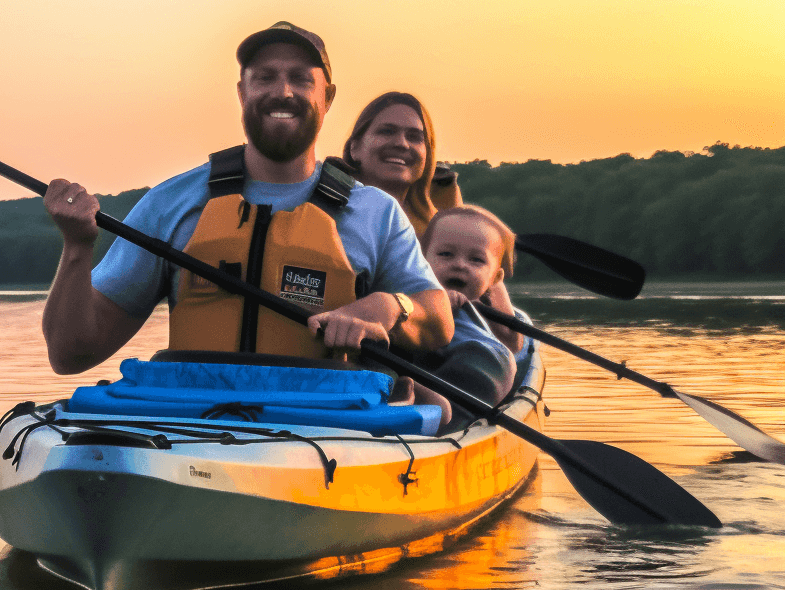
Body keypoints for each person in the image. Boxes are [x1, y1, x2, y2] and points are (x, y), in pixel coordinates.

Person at [40, 21, 453, 377]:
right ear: (242, 93)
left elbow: (439, 318)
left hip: (325, 435)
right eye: (265, 77)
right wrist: (77, 247)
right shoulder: (171, 203)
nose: (283, 91)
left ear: (327, 98)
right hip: (195, 431)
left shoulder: (375, 213)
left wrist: (391, 304)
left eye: (301, 78)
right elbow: (70, 354)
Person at [418, 204, 526, 411]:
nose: (459, 264)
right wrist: (434, 300)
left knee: (495, 359)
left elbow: (513, 343)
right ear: (420, 259)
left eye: (476, 260)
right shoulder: (407, 293)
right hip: (412, 364)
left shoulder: (485, 316)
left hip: (459, 380)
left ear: (495, 277)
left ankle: (450, 411)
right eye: (446, 254)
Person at [340, 92, 461, 239]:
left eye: (414, 137)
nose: (401, 144)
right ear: (355, 148)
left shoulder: (445, 237)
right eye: (387, 131)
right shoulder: (322, 212)